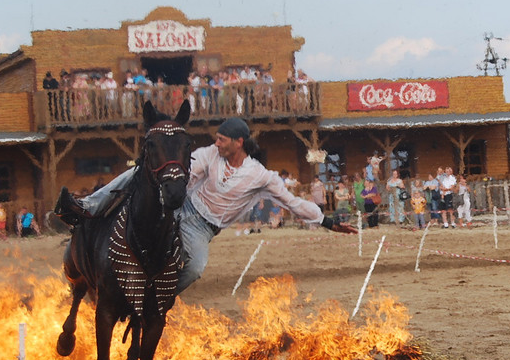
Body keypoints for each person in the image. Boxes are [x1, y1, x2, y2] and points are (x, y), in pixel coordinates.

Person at [56, 117, 356, 292]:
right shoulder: (208, 154)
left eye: (222, 139)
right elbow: (188, 172)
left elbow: (292, 203)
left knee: (196, 267)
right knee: (138, 173)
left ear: (238, 142)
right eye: (216, 138)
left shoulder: (261, 176)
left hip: (201, 228)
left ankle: (157, 298)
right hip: (179, 207)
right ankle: (86, 208)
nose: (216, 142)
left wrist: (328, 222)